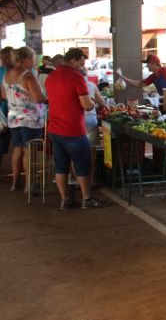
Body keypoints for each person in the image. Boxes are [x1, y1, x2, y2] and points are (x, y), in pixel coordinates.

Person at [45, 48, 103, 209]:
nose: (81, 67)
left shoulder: (51, 77)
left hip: (55, 129)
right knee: (82, 165)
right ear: (73, 60)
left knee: (61, 166)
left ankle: (65, 200)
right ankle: (87, 198)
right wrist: (92, 103)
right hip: (73, 130)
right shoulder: (76, 77)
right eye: (81, 63)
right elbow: (86, 104)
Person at [1, 46, 46, 191]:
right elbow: (39, 98)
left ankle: (15, 183)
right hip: (30, 119)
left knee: (17, 149)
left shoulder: (7, 74)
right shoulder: (27, 76)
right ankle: (29, 184)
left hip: (13, 117)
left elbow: (3, 96)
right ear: (26, 59)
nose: (34, 61)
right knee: (29, 151)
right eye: (33, 58)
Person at [82, 67, 107, 185]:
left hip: (76, 120)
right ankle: (91, 180)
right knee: (91, 151)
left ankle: (77, 180)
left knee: (75, 151)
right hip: (90, 119)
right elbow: (102, 104)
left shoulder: (71, 85)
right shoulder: (91, 85)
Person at [0, 46, 15, 171]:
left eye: (8, 58)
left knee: (19, 147)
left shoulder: (24, 71)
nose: (5, 61)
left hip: (18, 115)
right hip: (3, 114)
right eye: (3, 58)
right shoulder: (0, 71)